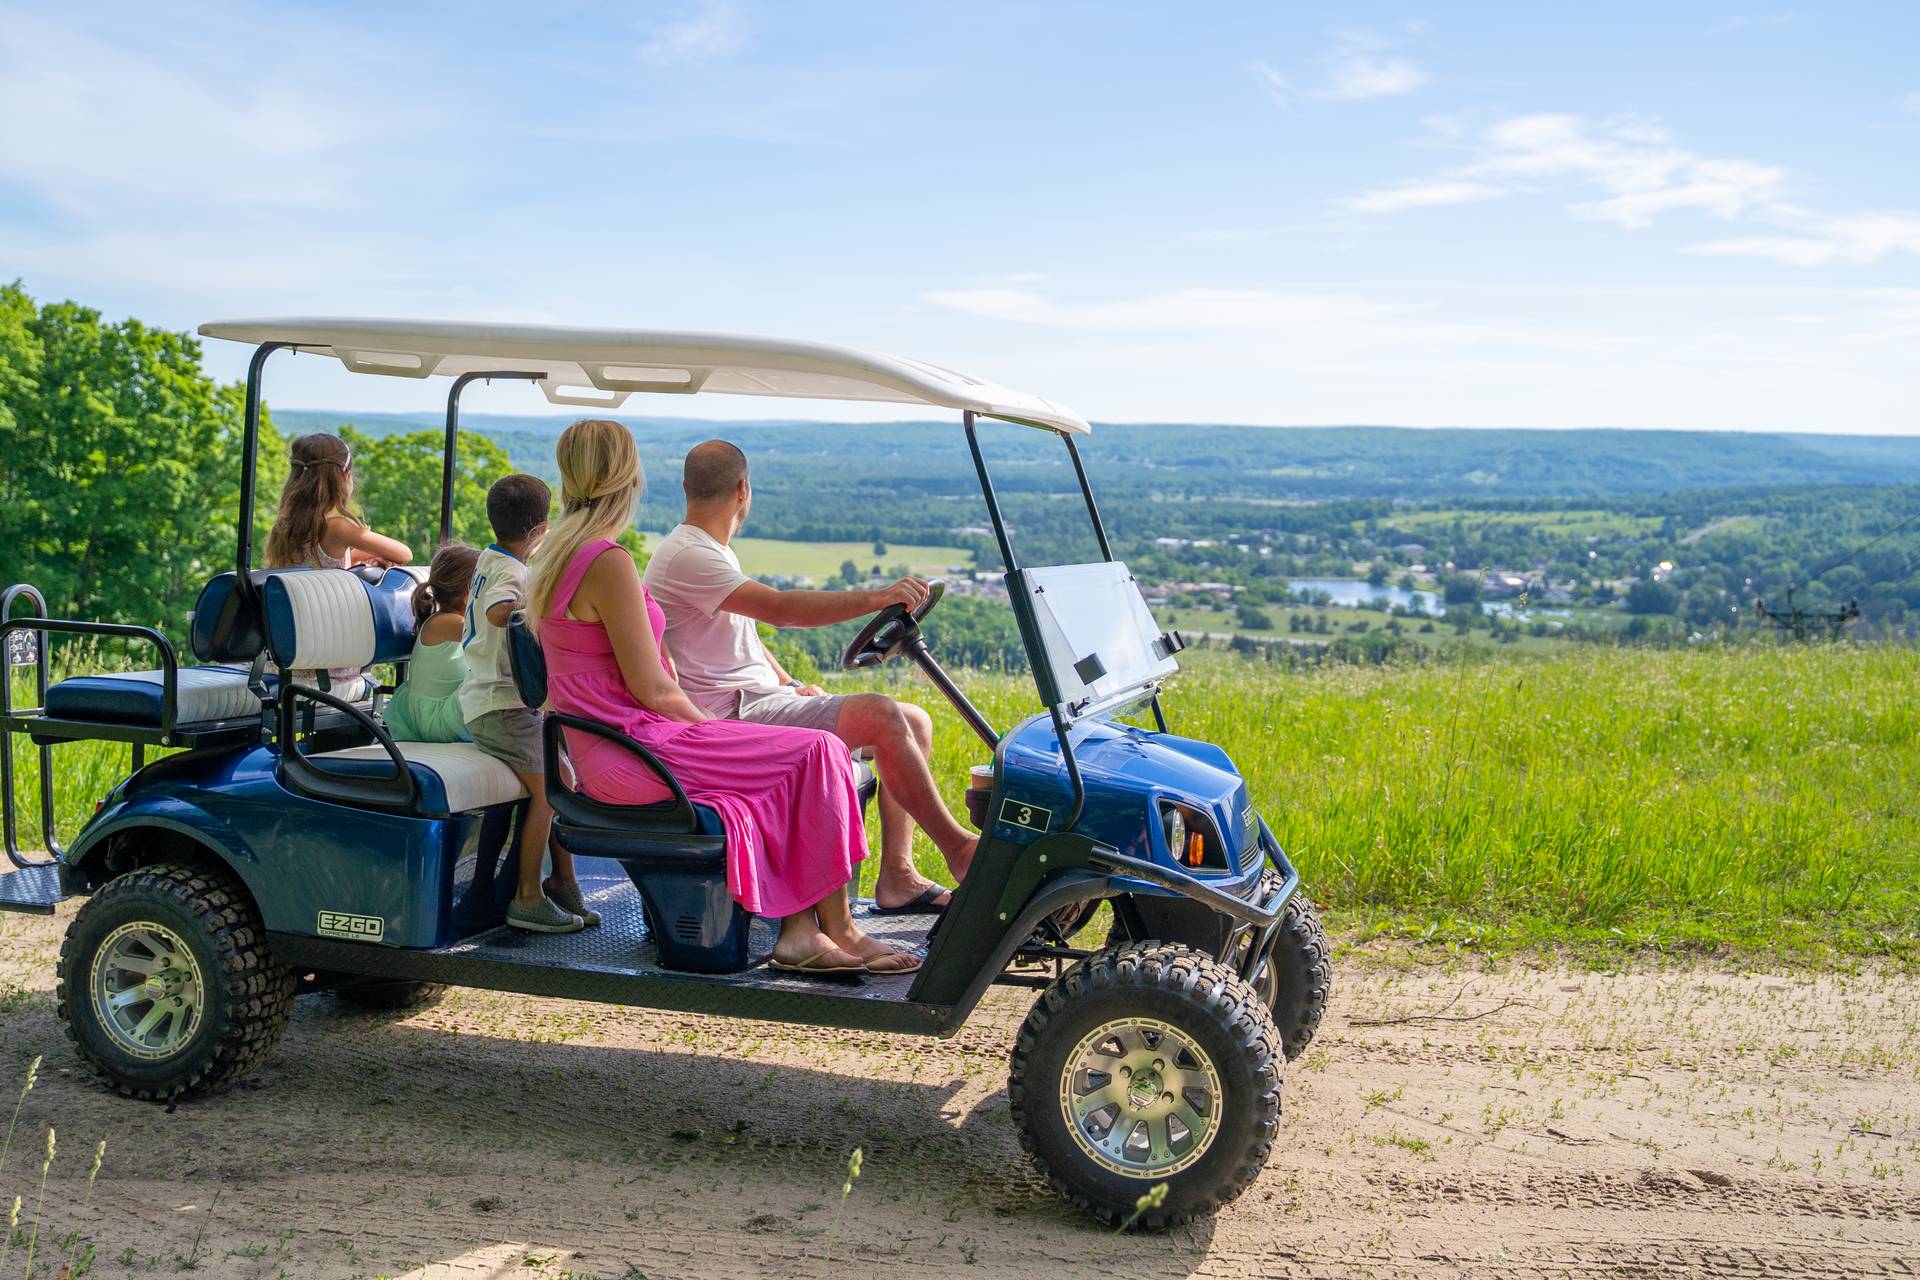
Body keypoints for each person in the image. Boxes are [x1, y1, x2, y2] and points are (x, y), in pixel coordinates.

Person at [528, 419, 915, 976]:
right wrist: (713, 729)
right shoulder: (605, 560)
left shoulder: (560, 556)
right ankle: (831, 931)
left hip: (612, 745)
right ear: (629, 478)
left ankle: (806, 931)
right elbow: (653, 688)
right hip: (631, 751)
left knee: (808, 755)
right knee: (817, 751)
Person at [643, 439, 976, 914]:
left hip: (758, 699)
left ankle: (899, 876)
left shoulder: (706, 550)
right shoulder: (688, 556)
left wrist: (789, 681)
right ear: (744, 490)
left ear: (685, 488)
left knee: (914, 721)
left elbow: (747, 636)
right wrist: (877, 598)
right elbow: (780, 610)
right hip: (731, 717)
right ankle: (960, 848)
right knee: (881, 715)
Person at [460, 473, 597, 935]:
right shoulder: (512, 573)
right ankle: (527, 896)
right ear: (540, 532)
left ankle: (564, 882)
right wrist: (532, 612)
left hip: (497, 703)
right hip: (501, 706)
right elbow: (500, 610)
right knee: (550, 790)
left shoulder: (488, 557)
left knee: (565, 780)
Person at [264, 432, 413, 701]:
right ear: (343, 475)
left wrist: (354, 558)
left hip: (287, 656)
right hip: (326, 660)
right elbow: (404, 553)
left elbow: (314, 565)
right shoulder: (338, 527)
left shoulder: (286, 527)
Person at [384, 543, 478, 743]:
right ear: (469, 594)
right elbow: (492, 637)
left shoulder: (443, 619)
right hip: (439, 720)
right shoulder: (449, 623)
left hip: (433, 714)